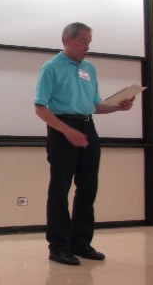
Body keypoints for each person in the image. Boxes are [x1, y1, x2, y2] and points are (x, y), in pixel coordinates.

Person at [34, 22, 135, 266]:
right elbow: (40, 107)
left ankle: (81, 242)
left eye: (89, 42)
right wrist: (67, 130)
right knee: (60, 189)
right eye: (83, 42)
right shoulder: (52, 68)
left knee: (88, 187)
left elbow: (94, 105)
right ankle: (59, 247)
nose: (87, 47)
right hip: (62, 129)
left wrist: (117, 107)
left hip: (88, 127)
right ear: (67, 40)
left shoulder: (89, 69)